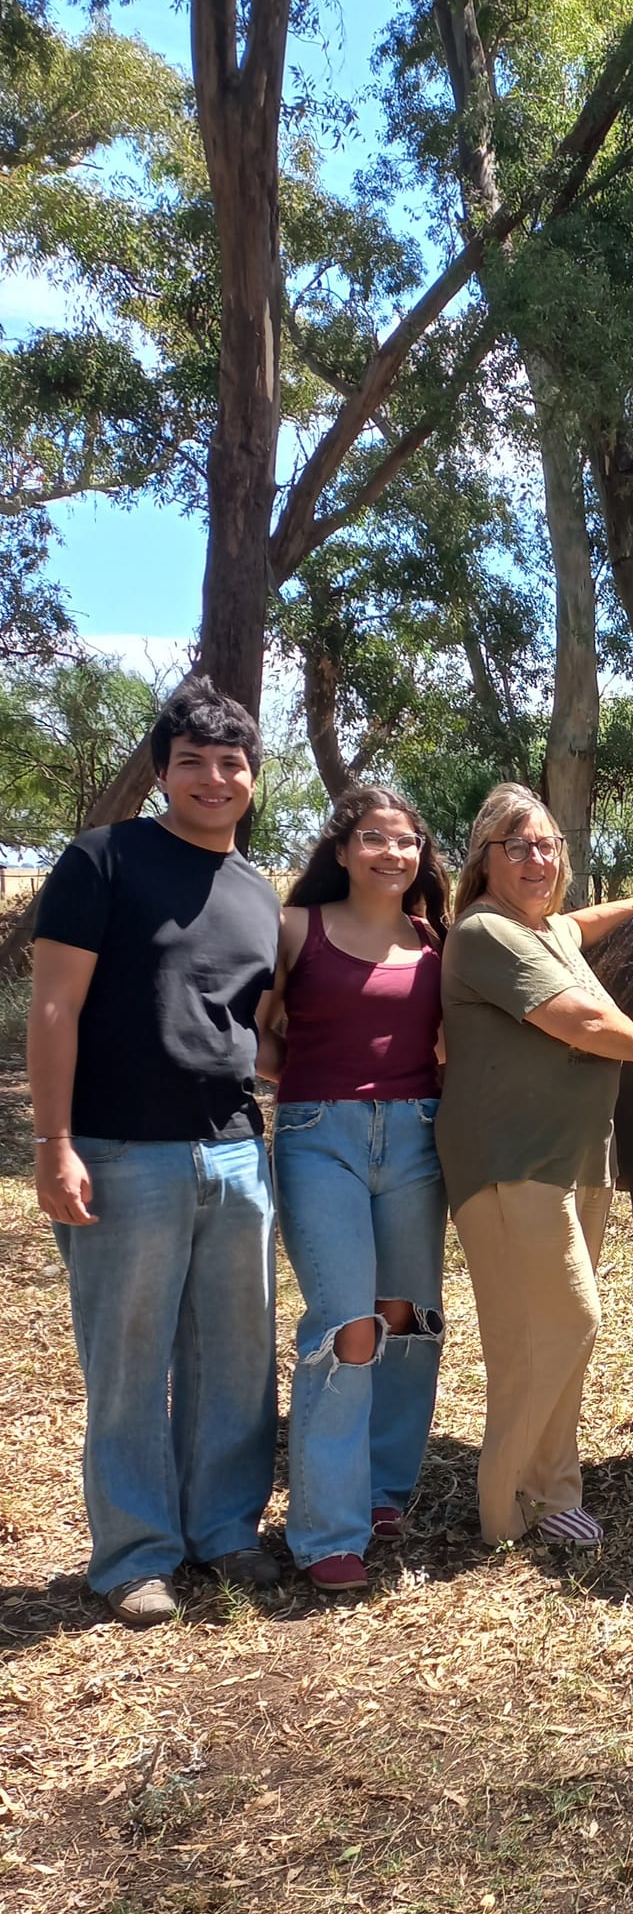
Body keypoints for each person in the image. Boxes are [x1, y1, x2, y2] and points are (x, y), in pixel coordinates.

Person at [28, 678, 283, 1626]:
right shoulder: (104, 860)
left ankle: (223, 1531)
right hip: (119, 1146)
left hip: (235, 1154)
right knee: (129, 1362)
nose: (213, 779)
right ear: (162, 772)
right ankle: (135, 1554)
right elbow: (56, 1005)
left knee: (234, 1356)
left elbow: (254, 1033)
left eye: (230, 763)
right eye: (191, 763)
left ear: (252, 776)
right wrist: (53, 1142)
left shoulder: (259, 895)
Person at [438, 785, 633, 1549]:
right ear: (483, 858)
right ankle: (500, 1508)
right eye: (517, 846)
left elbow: (575, 926)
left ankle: (553, 1488)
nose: (537, 858)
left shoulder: (542, 927)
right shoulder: (486, 931)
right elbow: (578, 1017)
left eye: (549, 845)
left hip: (576, 1162)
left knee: (559, 1331)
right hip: (509, 1163)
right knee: (558, 1324)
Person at [256, 786, 452, 1589]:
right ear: (341, 850)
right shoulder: (293, 928)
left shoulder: (434, 943)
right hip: (317, 1139)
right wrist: (294, 1078)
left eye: (405, 842)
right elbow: (254, 1024)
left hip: (415, 1141)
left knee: (406, 1320)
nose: (392, 854)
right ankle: (327, 1529)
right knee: (347, 1327)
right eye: (374, 839)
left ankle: (381, 1489)